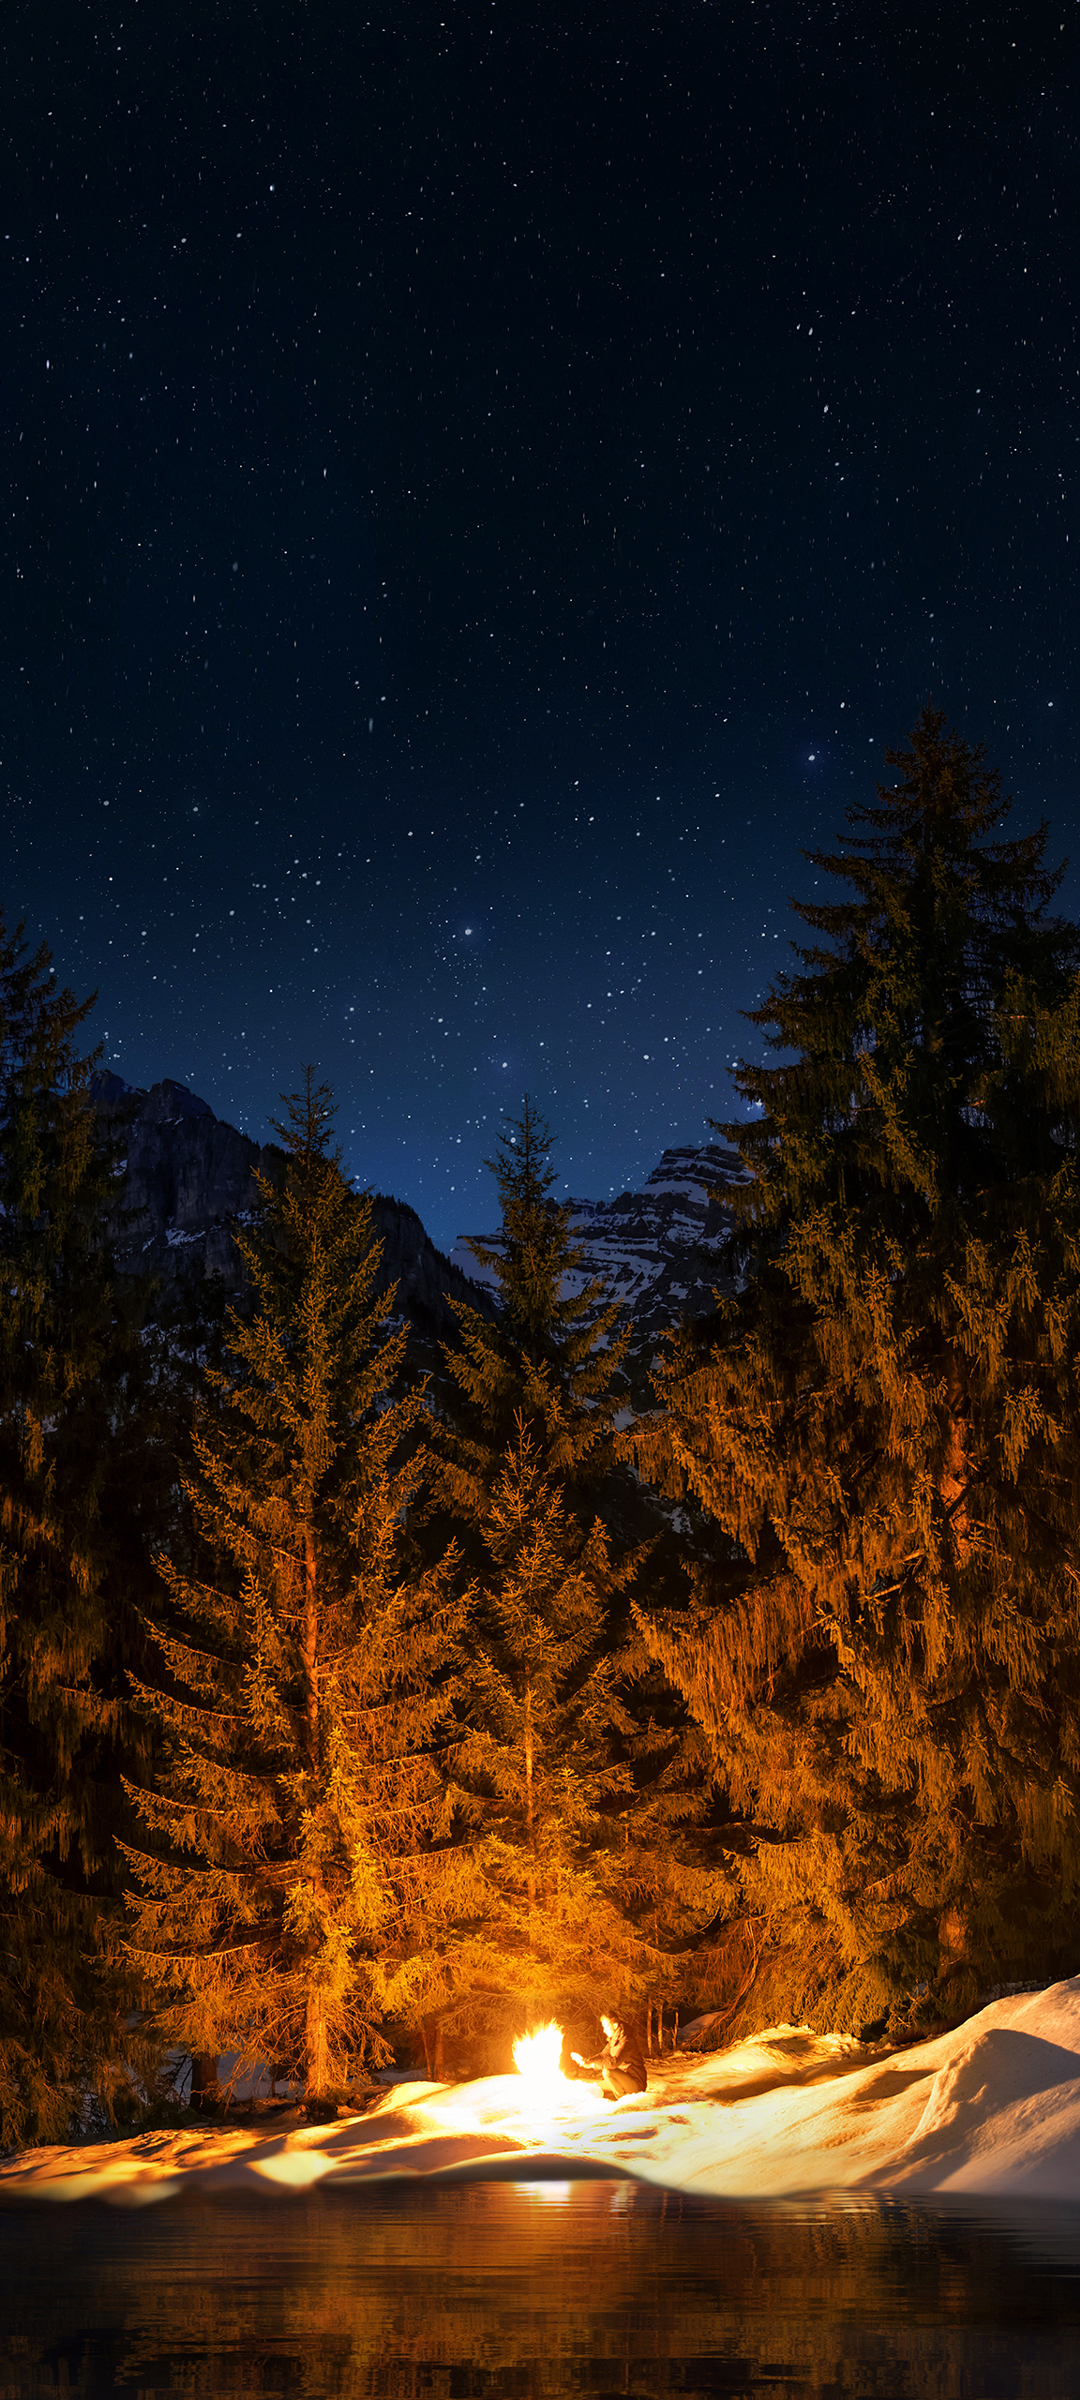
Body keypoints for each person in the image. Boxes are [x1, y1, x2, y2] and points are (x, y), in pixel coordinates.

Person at [570, 2013, 647, 2099]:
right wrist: (587, 2061)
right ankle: (615, 2097)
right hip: (623, 2080)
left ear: (614, 2026)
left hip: (636, 2084)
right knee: (596, 2090)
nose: (604, 2030)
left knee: (607, 2072)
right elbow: (603, 2055)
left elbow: (614, 2062)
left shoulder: (627, 2041)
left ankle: (624, 2102)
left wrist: (592, 2065)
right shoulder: (613, 2041)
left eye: (606, 2027)